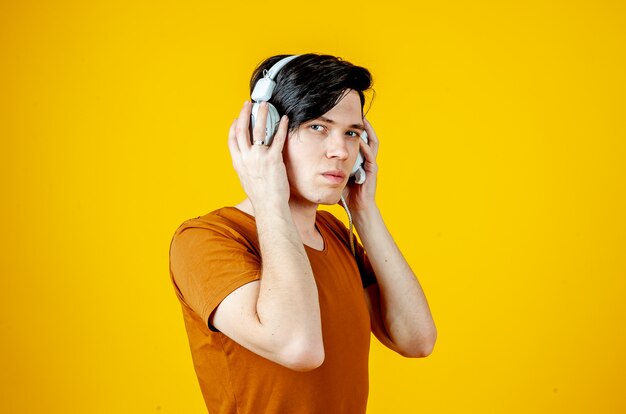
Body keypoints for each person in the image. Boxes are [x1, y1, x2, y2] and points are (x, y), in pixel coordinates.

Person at [169, 53, 437, 413]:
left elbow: (417, 340)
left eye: (352, 133)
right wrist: (269, 197)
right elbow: (299, 347)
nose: (340, 151)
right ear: (265, 132)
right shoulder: (206, 239)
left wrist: (364, 212)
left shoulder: (337, 234)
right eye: (317, 127)